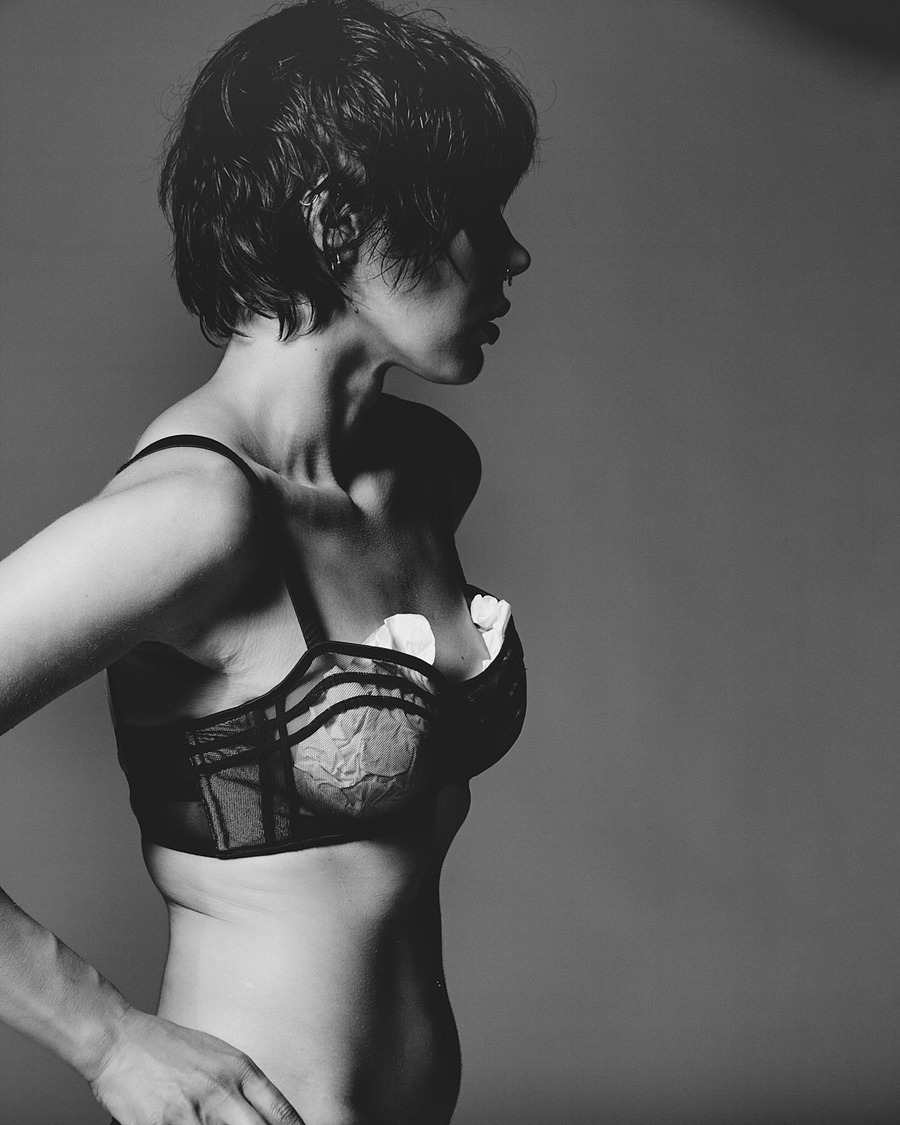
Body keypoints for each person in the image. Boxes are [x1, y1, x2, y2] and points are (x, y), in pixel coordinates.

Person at [0, 0, 535, 1121]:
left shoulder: (429, 472)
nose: (513, 252)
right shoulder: (196, 515)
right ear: (338, 221)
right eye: (474, 210)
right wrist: (106, 1039)